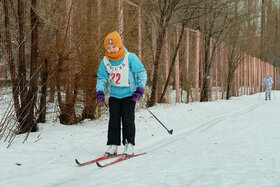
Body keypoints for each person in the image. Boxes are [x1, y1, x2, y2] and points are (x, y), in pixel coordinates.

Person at [96, 31, 147, 157]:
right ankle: (113, 145)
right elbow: (101, 78)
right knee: (113, 120)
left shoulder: (130, 57)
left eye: (114, 47)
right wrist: (100, 91)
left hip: (129, 95)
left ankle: (129, 144)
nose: (111, 50)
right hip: (114, 95)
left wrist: (140, 89)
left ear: (119, 45)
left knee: (128, 120)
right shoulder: (105, 61)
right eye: (108, 47)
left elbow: (141, 72)